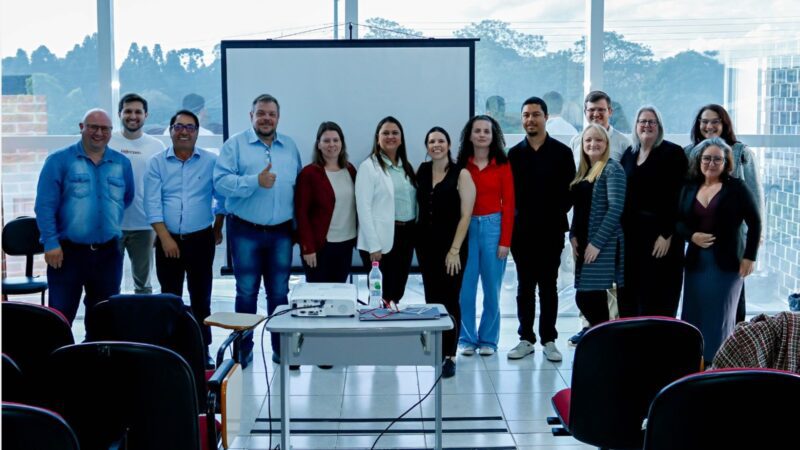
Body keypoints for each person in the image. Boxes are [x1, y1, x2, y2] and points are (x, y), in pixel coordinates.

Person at [213, 94, 302, 368]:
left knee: (279, 293)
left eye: (271, 114)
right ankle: (243, 350)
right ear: (251, 116)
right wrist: (254, 181)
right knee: (246, 292)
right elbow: (220, 183)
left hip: (281, 232)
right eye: (261, 113)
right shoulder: (235, 145)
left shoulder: (289, 147)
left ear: (278, 117)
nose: (266, 118)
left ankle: (280, 349)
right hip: (245, 230)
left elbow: (298, 188)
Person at [34, 109, 134, 327]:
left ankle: (95, 361)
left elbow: (126, 199)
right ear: (82, 127)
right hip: (67, 254)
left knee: (104, 319)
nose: (98, 133)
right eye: (93, 127)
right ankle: (57, 359)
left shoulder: (121, 163)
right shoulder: (59, 161)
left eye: (104, 128)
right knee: (60, 317)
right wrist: (51, 243)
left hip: (108, 254)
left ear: (111, 132)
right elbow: (44, 206)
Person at [144, 109, 225, 367]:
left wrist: (218, 227)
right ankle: (172, 349)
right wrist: (165, 238)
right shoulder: (157, 162)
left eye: (190, 127)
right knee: (170, 297)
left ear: (197, 133)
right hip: (168, 240)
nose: (184, 132)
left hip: (201, 238)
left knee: (201, 297)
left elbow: (222, 197)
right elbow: (152, 202)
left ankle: (203, 349)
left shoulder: (211, 162)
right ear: (170, 130)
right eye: (179, 126)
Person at [677, 137, 761, 363]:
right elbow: (677, 221)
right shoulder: (690, 186)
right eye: (706, 158)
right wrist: (691, 236)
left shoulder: (737, 188)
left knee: (721, 318)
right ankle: (694, 364)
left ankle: (719, 366)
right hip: (696, 263)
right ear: (699, 160)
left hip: (728, 264)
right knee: (693, 314)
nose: (711, 163)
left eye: (717, 159)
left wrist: (750, 257)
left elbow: (755, 222)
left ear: (726, 162)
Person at [507, 97, 576, 362]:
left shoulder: (561, 152)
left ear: (546, 117)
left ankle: (549, 339)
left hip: (550, 230)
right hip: (521, 232)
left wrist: (548, 212)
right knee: (525, 287)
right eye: (526, 115)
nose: (530, 120)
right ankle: (526, 338)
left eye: (536, 114)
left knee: (548, 287)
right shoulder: (514, 154)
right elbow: (509, 196)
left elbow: (569, 192)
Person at [685, 104, 764, 324]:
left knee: (731, 305)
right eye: (704, 121)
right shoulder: (689, 152)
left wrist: (753, 246)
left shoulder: (741, 152)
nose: (709, 126)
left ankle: (732, 351)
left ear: (724, 124)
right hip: (701, 244)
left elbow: (756, 199)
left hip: (733, 241)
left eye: (715, 121)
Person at [568, 91, 631, 344]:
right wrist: (573, 234)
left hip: (601, 242)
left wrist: (596, 243)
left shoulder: (612, 167)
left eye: (598, 142)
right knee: (586, 295)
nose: (592, 144)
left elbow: (616, 208)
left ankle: (606, 339)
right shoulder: (586, 169)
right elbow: (580, 205)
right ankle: (598, 335)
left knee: (593, 295)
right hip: (583, 239)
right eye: (588, 141)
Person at [416, 126, 476, 377]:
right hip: (426, 246)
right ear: (427, 146)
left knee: (450, 299)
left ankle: (450, 355)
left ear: (449, 145)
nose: (436, 145)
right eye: (431, 141)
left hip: (452, 247)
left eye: (441, 140)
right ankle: (437, 351)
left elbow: (466, 215)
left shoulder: (461, 174)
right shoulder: (422, 170)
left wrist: (454, 250)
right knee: (432, 299)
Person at [618, 106, 688, 317]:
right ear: (636, 126)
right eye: (642, 121)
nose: (646, 125)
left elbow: (678, 197)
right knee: (631, 294)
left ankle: (658, 347)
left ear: (659, 127)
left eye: (652, 121)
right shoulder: (629, 155)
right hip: (632, 237)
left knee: (658, 294)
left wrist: (667, 234)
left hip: (661, 236)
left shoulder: (673, 153)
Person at [457, 115, 514, 357]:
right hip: (467, 228)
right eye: (477, 130)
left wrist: (505, 241)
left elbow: (509, 204)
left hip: (494, 227)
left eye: (486, 131)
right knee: (465, 290)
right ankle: (466, 338)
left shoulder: (502, 164)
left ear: (493, 136)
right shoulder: (461, 165)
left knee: (492, 289)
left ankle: (489, 340)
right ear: (469, 135)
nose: (481, 134)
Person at [355, 116, 417, 305]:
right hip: (380, 241)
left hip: (406, 236)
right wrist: (374, 245)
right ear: (377, 138)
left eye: (395, 133)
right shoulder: (368, 167)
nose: (391, 137)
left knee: (397, 290)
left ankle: (391, 328)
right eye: (386, 133)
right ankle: (378, 329)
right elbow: (363, 208)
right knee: (381, 293)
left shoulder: (405, 166)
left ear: (401, 138)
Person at [109, 93, 166, 294]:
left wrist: (161, 227)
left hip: (144, 225)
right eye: (128, 111)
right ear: (119, 114)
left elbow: (163, 188)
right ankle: (113, 325)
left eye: (138, 112)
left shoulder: (157, 146)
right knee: (108, 284)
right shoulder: (108, 142)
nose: (133, 116)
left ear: (146, 115)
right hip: (112, 225)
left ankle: (143, 324)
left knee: (143, 286)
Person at [295, 122, 357, 283]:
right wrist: (307, 248)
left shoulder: (350, 170)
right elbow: (301, 214)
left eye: (336, 140)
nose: (332, 145)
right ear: (319, 145)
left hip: (346, 244)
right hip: (320, 246)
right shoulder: (309, 174)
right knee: (319, 297)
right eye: (326, 141)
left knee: (339, 295)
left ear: (342, 143)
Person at [569, 91, 631, 163]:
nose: (596, 114)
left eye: (601, 110)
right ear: (585, 112)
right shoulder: (575, 141)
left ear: (610, 112)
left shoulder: (623, 143)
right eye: (591, 110)